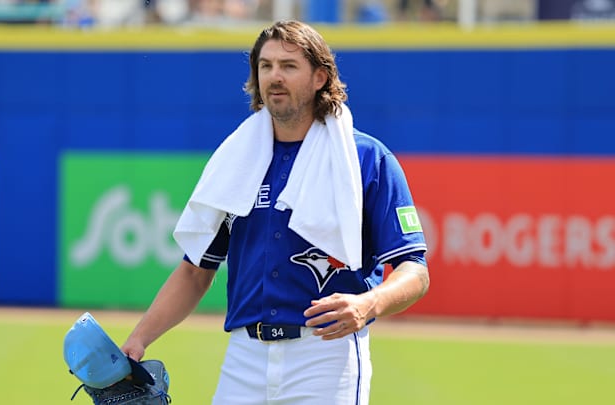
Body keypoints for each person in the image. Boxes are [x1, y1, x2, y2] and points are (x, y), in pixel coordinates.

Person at [121, 19, 430, 405]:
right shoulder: (238, 160)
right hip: (244, 357)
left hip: (325, 355)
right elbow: (195, 271)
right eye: (265, 66)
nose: (274, 76)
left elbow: (414, 270)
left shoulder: (365, 158)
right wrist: (137, 340)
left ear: (320, 77)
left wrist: (369, 303)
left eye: (288, 65)